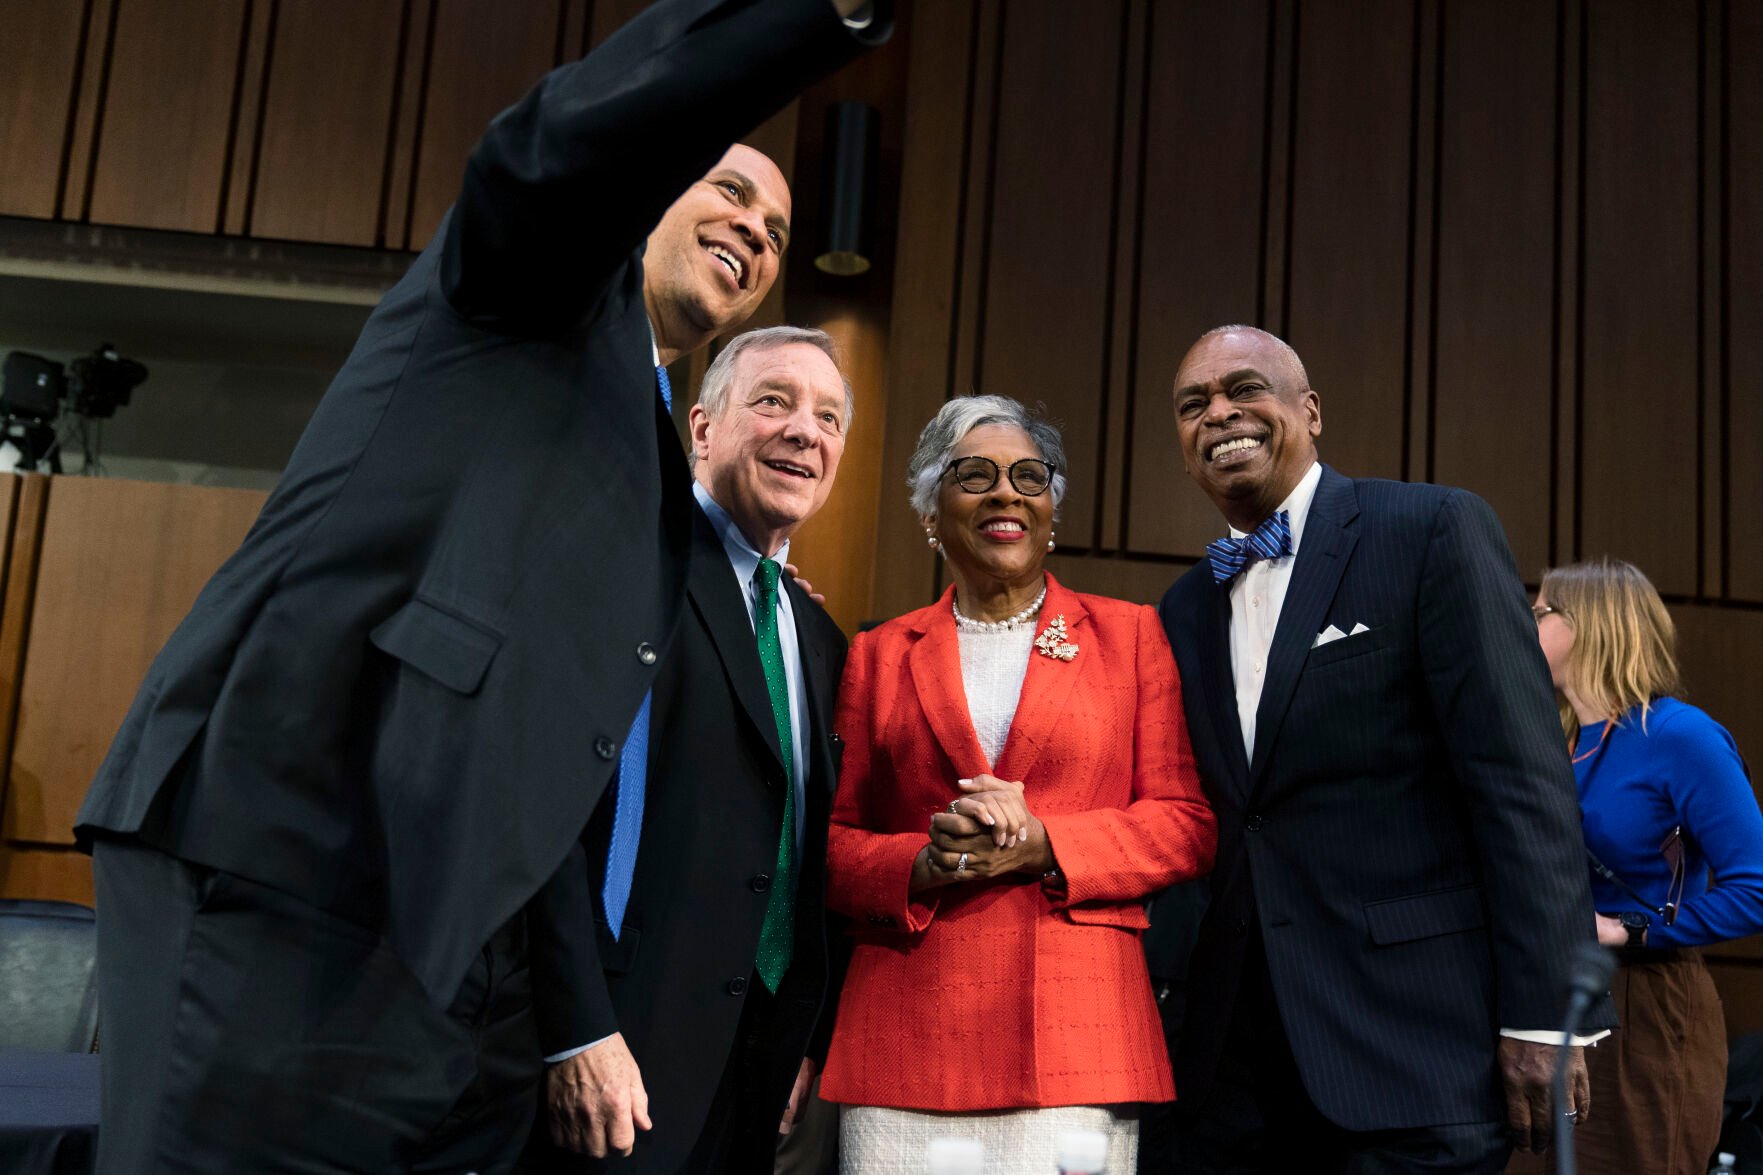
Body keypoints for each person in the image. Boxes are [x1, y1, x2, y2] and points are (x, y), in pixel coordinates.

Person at [71, 2, 889, 1170]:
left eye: (776, 227)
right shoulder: (532, 284)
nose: (755, 231)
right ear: (651, 177)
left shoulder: (655, 453)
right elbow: (557, 152)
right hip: (301, 849)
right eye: (728, 189)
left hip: (454, 947)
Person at [1155, 325, 1609, 1172]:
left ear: (1309, 411)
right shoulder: (1183, 606)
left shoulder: (1429, 529)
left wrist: (1546, 1014)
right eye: (1193, 405)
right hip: (1235, 1075)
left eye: (1243, 389)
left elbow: (1520, 779)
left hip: (1412, 1051)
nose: (1219, 413)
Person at [819, 395, 1218, 1173]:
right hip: (907, 1031)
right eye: (974, 474)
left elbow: (1184, 822)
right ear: (931, 508)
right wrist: (922, 863)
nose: (1006, 492)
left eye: (1028, 475)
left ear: (1050, 509)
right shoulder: (876, 653)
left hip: (1078, 1035)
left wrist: (1046, 845)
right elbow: (829, 846)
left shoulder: (1130, 636)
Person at [521, 326, 854, 1172]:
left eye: (827, 416)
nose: (803, 431)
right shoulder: (631, 566)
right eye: (773, 400)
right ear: (701, 429)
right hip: (612, 1059)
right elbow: (539, 809)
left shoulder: (817, 635)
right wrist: (577, 1029)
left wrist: (794, 1038)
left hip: (751, 1073)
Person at [1514, 556, 1763, 1175]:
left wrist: (1629, 928)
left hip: (1642, 1004)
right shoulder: (1557, 740)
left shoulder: (1680, 735)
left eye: (1540, 611)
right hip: (1546, 1002)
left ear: (1591, 626)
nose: (1525, 622)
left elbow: (1756, 886)